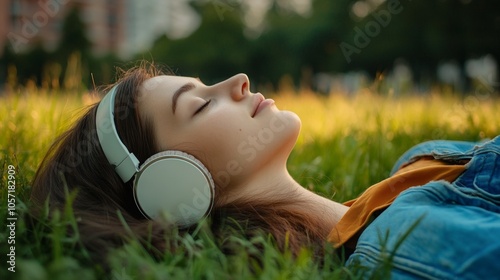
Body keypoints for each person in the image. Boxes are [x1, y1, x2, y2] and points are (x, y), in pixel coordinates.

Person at [31, 62, 500, 278]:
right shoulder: (398, 246)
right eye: (198, 106)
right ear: (170, 188)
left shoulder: (419, 162)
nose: (237, 82)